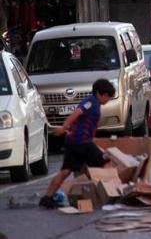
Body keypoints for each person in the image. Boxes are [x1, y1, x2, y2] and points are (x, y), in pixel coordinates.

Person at [39, 79, 116, 209]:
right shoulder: (91, 102)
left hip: (73, 142)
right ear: (100, 93)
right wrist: (63, 127)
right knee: (106, 162)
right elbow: (76, 113)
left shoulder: (93, 103)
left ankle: (47, 197)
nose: (108, 100)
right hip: (82, 143)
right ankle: (112, 193)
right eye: (107, 96)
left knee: (65, 171)